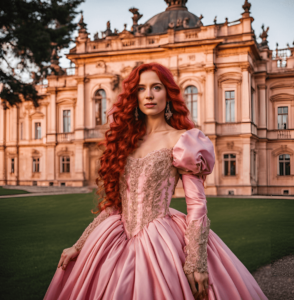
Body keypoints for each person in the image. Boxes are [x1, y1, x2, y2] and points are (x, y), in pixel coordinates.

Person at [44, 63, 268, 300]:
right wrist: (79, 246)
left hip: (160, 241)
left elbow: (197, 206)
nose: (149, 94)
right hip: (114, 238)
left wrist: (196, 264)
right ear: (134, 96)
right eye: (141, 88)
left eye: (156, 87)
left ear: (168, 94)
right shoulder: (126, 141)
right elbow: (115, 207)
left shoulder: (183, 140)